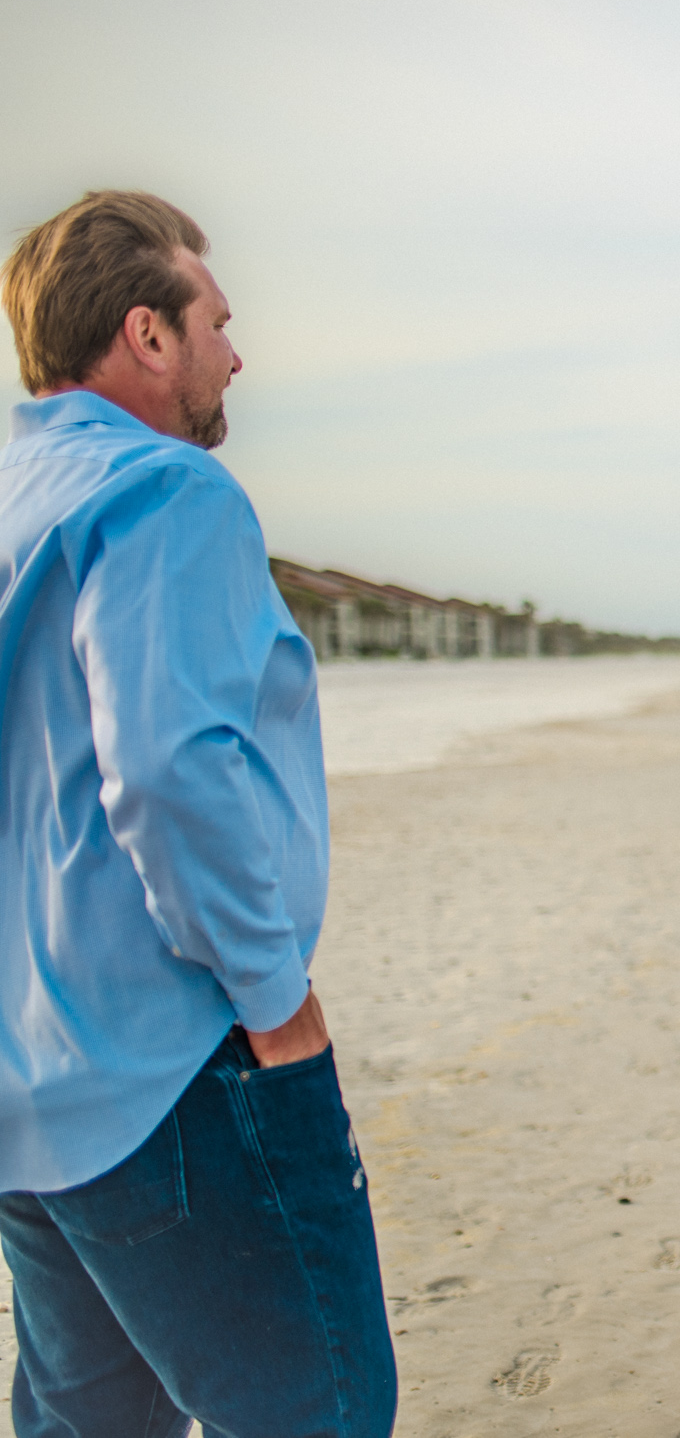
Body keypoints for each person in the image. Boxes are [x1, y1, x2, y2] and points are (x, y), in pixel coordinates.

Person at [0, 191, 398, 1435]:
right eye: (216, 321)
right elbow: (168, 772)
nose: (237, 352)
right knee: (322, 1409)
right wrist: (277, 999)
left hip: (24, 1079)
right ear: (148, 336)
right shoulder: (166, 491)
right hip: (166, 1065)